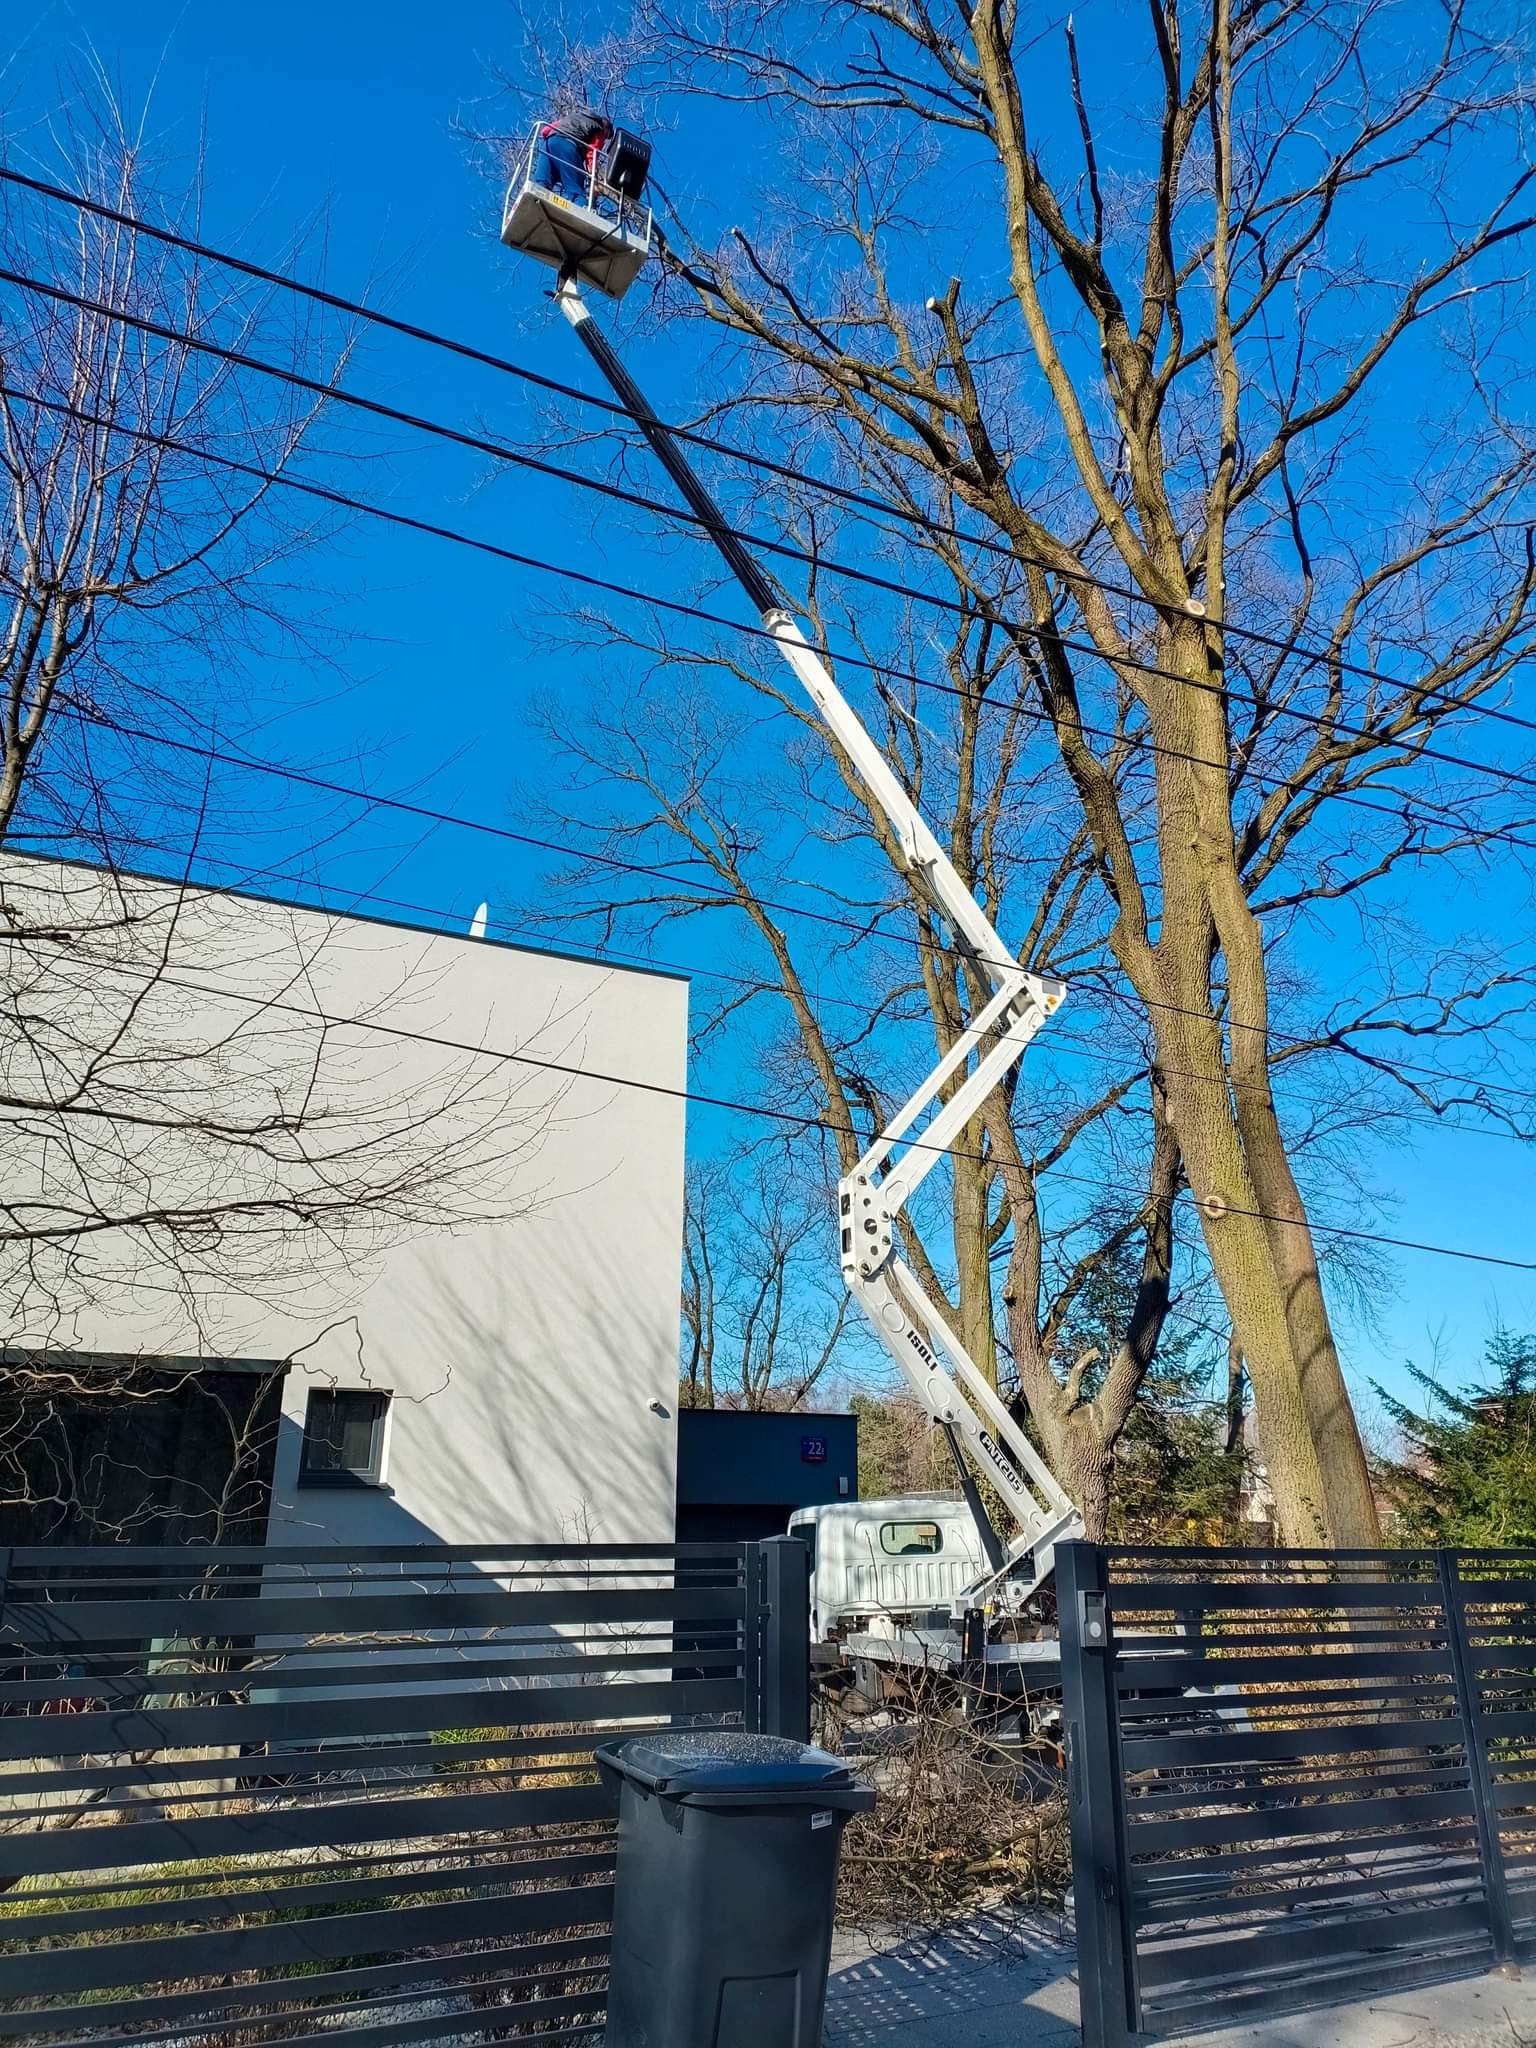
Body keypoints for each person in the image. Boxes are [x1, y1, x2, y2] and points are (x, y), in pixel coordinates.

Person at [539, 108, 613, 202]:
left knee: (542, 183)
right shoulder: (598, 128)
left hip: (549, 144)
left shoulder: (572, 117)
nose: (604, 138)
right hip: (568, 148)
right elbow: (592, 152)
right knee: (576, 190)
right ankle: (581, 206)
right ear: (606, 127)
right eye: (606, 136)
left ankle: (538, 194)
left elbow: (545, 131)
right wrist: (594, 177)